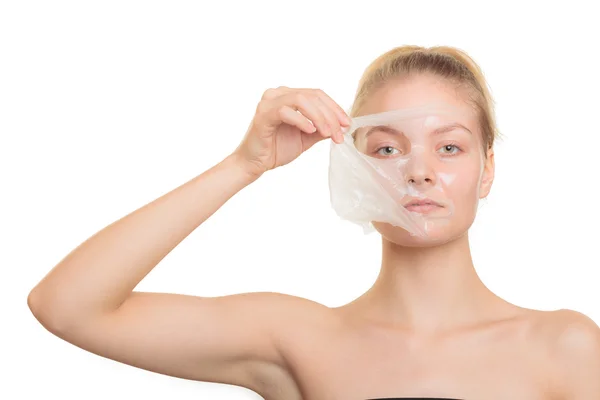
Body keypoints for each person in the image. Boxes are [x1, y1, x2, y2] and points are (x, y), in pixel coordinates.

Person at [27, 45, 600, 399]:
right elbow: (66, 306)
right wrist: (244, 164)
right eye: (386, 149)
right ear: (353, 166)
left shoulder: (566, 347)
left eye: (449, 149)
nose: (420, 172)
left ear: (486, 171)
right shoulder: (298, 340)